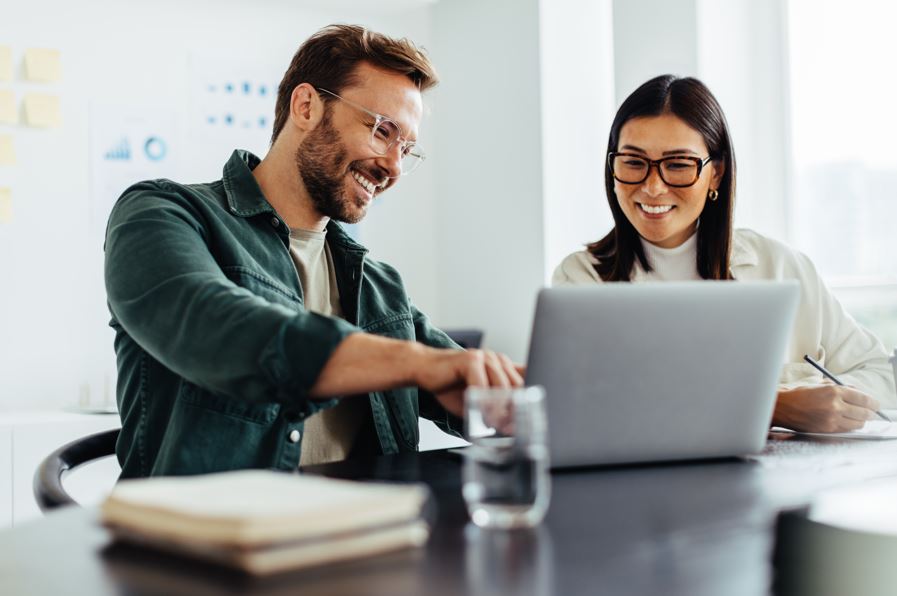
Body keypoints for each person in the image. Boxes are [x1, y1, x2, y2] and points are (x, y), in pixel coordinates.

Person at [105, 24, 522, 478]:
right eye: (382, 131)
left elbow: (459, 377)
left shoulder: (379, 285)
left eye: (407, 148)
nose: (394, 167)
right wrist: (419, 363)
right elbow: (216, 326)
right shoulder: (162, 213)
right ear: (306, 106)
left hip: (369, 535)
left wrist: (512, 394)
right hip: (211, 540)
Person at [553, 74, 895, 434]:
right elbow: (588, 406)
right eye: (634, 162)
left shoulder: (780, 266)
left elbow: (883, 378)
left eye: (678, 165)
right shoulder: (580, 280)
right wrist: (774, 406)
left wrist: (828, 402)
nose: (653, 187)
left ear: (715, 174)